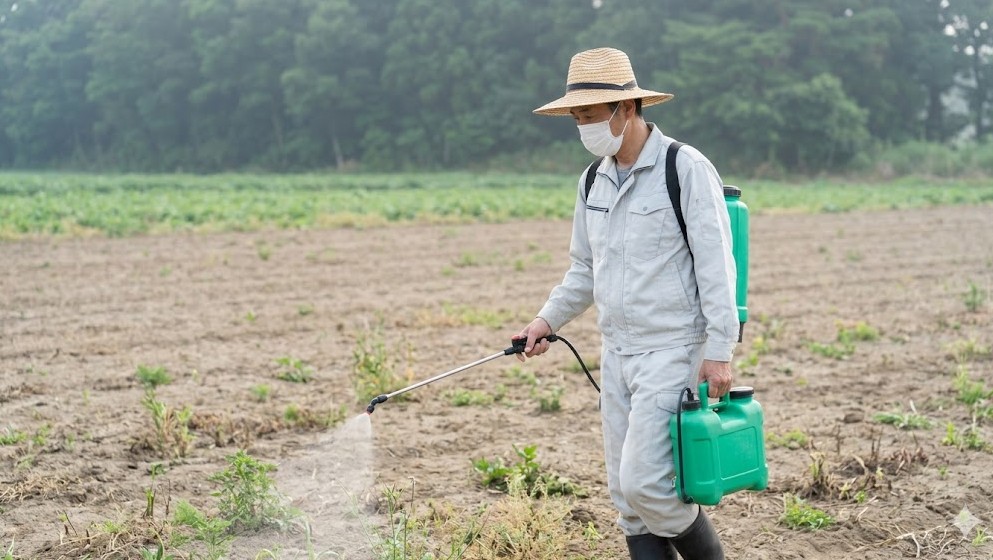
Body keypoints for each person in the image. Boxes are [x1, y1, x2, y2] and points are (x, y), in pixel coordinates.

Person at [514, 47, 738, 560]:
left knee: (648, 486)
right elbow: (584, 270)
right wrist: (545, 320)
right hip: (616, 352)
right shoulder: (593, 180)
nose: (584, 128)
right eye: (577, 119)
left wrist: (720, 349)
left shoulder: (684, 168)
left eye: (590, 116)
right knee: (627, 498)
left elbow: (716, 266)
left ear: (628, 109)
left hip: (673, 347)